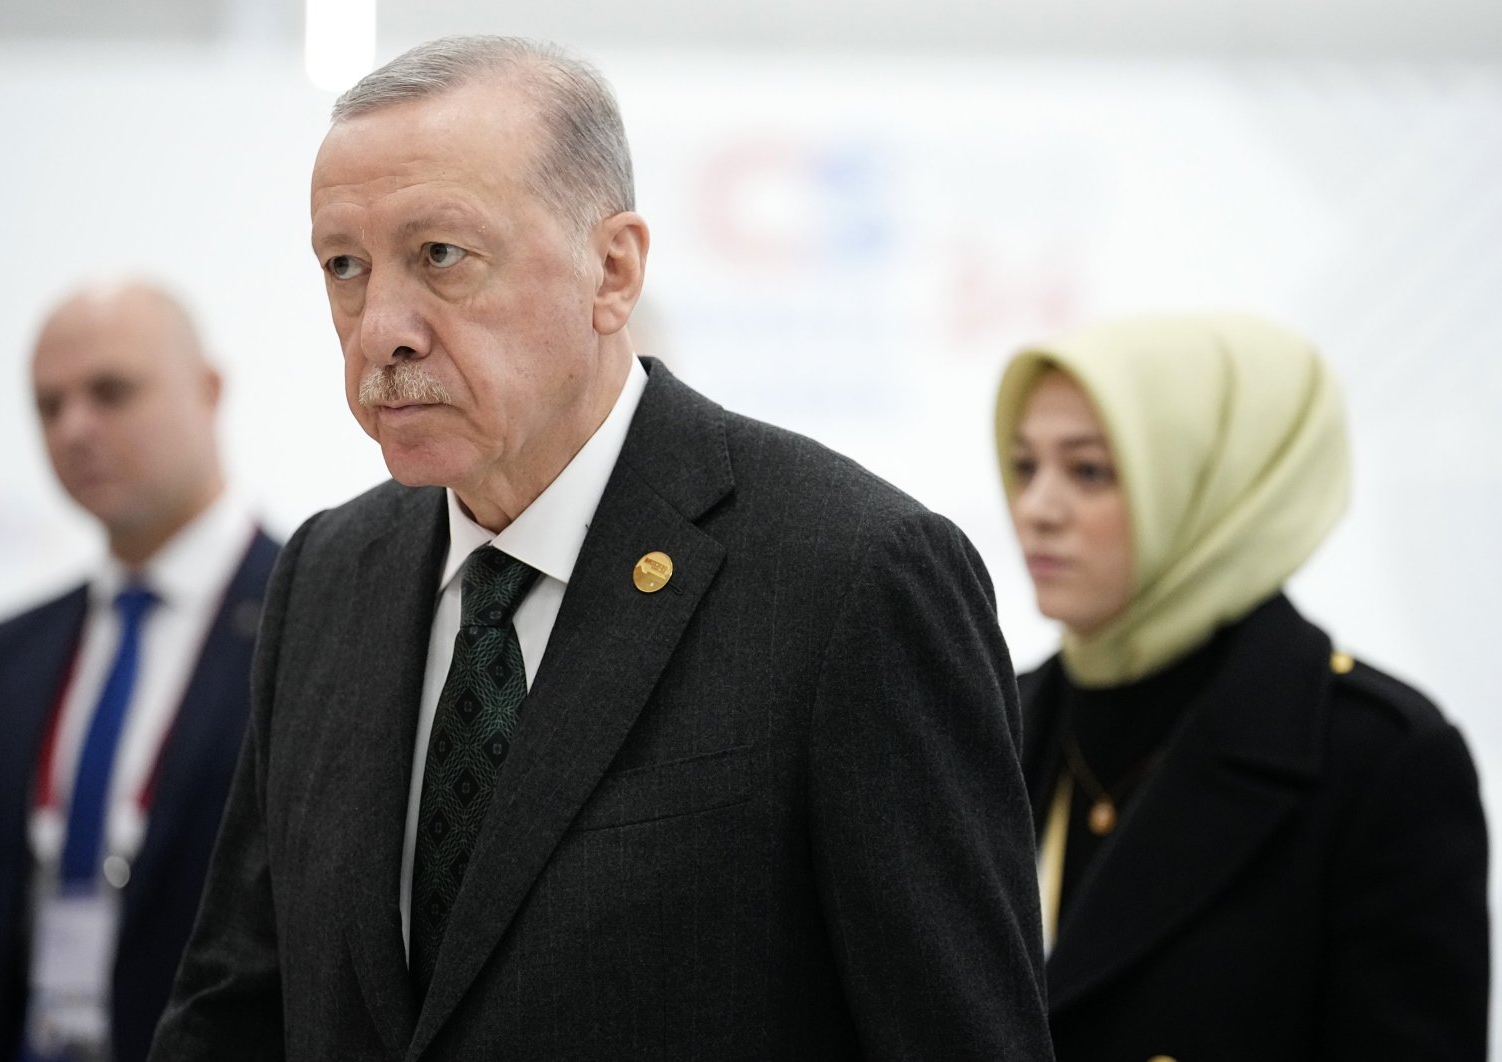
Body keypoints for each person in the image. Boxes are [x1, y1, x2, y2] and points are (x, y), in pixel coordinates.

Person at [149, 35, 1053, 1062]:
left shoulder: (850, 576)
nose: (379, 331)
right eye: (344, 267)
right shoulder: (324, 578)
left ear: (612, 270)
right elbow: (237, 1001)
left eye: (440, 255)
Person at [994, 312, 1489, 1060]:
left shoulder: (1376, 760)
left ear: (1219, 487)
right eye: (1025, 466)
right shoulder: (994, 720)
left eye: (1089, 470)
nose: (1037, 510)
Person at [0, 281, 280, 1062]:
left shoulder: (307, 618)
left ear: (208, 392)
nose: (75, 428)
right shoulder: (14, 651)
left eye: (111, 392)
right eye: (48, 405)